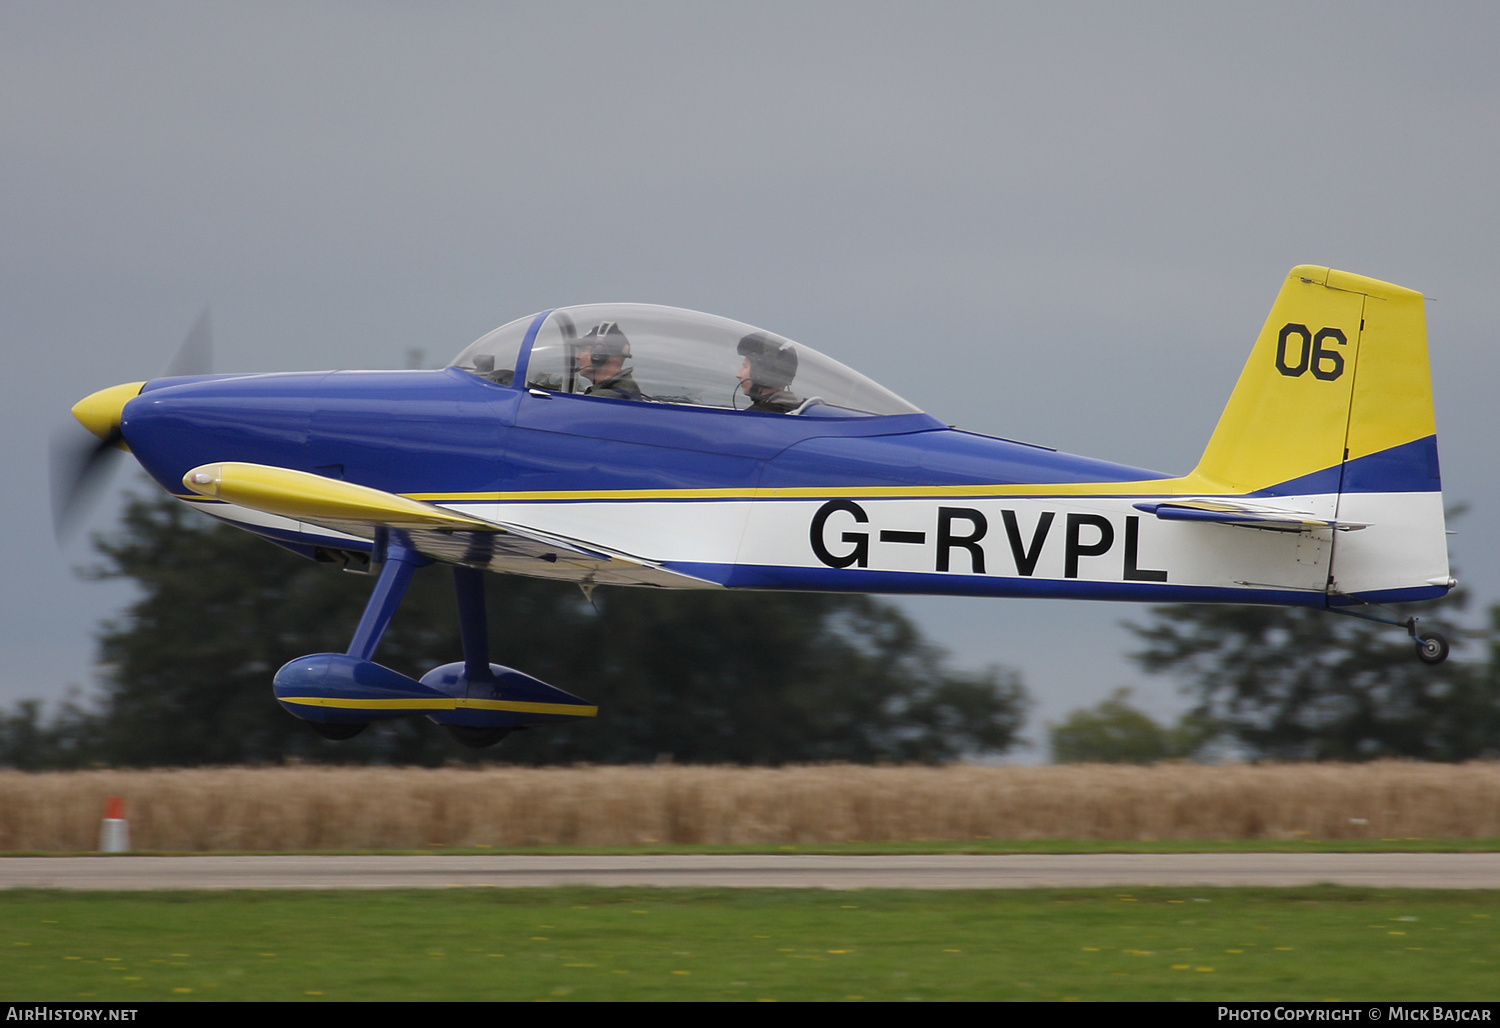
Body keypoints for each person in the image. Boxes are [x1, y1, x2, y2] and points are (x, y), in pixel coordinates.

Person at [575, 322, 642, 400]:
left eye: (584, 350)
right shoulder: (627, 392)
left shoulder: (601, 399)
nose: (577, 356)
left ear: (599, 354)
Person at [736, 332, 801, 412]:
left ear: (762, 372)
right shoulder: (796, 411)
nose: (738, 374)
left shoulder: (756, 419)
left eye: (745, 366)